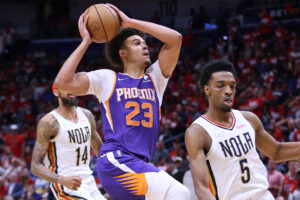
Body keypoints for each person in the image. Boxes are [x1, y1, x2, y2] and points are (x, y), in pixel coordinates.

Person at [53, 3, 189, 200]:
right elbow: (62, 83)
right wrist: (86, 41)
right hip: (117, 159)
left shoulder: (155, 79)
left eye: (144, 43)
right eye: (136, 43)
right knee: (179, 193)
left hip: (140, 164)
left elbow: (175, 39)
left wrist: (131, 23)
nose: (144, 45)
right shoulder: (107, 79)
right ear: (122, 53)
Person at [185, 59, 300, 200]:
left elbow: (276, 151)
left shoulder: (248, 119)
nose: (228, 91)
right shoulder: (198, 132)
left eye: (232, 86)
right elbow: (202, 189)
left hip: (264, 196)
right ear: (206, 89)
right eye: (220, 86)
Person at [30, 84, 106, 200]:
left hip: (89, 181)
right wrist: (62, 180)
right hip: (65, 185)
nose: (71, 90)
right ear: (56, 92)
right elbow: (35, 166)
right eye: (67, 88)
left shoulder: (87, 115)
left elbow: (100, 152)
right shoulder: (49, 122)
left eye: (73, 86)